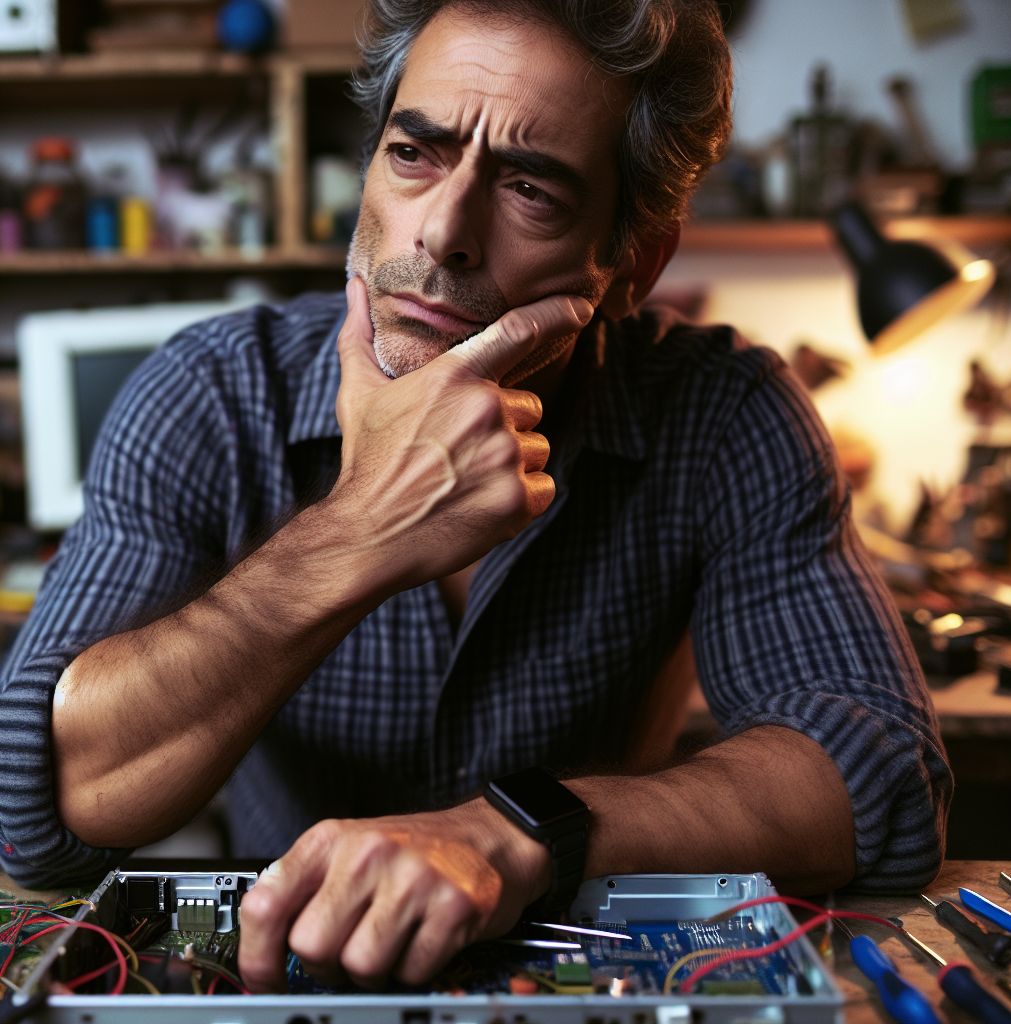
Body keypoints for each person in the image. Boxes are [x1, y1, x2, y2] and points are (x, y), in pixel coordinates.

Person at [0, 0, 950, 994]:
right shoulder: (208, 394)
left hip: (584, 980)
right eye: (416, 154)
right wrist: (362, 528)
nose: (443, 232)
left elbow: (880, 780)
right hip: (287, 973)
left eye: (531, 189)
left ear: (634, 261)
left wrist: (518, 832)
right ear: (368, 169)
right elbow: (45, 809)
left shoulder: (727, 410)